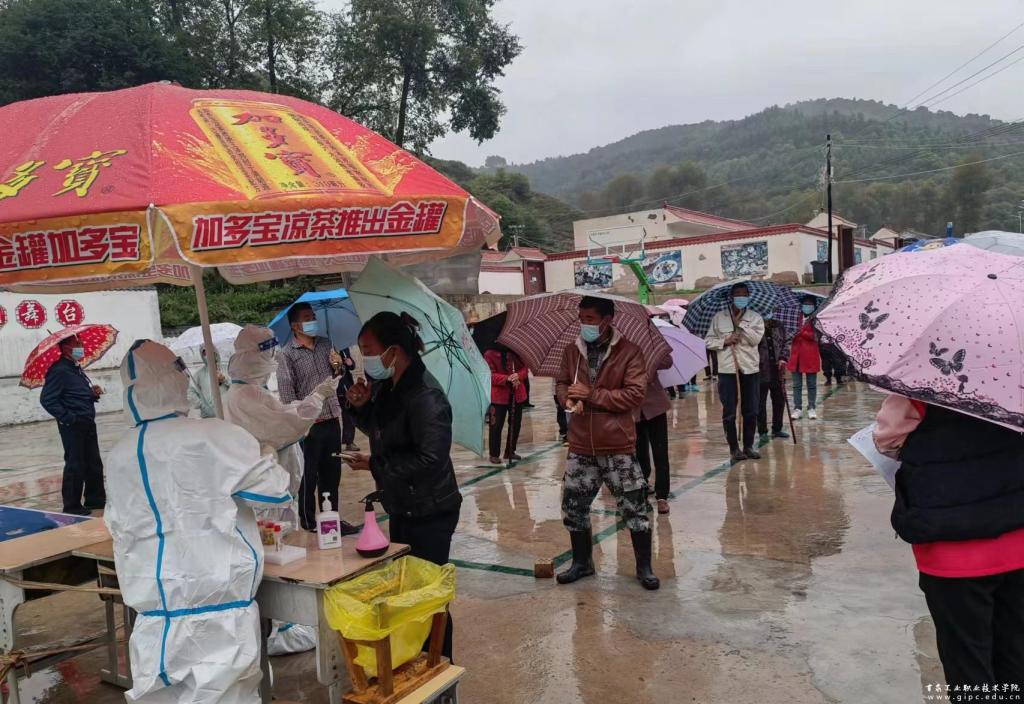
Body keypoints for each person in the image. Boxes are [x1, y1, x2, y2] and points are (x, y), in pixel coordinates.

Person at [104, 340, 292, 703]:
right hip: (218, 618)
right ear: (178, 380)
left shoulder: (119, 455)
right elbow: (274, 492)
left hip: (153, 624)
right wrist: (264, 450)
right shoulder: (213, 436)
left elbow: (116, 524)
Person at [874, 396, 1024, 691]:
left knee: (968, 663)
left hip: (952, 551)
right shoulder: (1016, 376)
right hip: (1016, 537)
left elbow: (886, 439)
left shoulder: (923, 382)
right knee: (1014, 653)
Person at [345, 311, 462, 659]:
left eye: (369, 351)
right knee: (409, 594)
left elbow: (431, 459)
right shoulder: (389, 387)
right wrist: (361, 408)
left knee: (429, 597)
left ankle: (441, 665)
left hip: (431, 511)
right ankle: (420, 663)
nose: (365, 359)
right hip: (403, 505)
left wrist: (376, 464)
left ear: (393, 351)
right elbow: (383, 431)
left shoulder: (426, 396)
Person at [555, 296, 658, 590]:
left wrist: (591, 395)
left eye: (590, 319)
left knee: (635, 508)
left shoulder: (629, 352)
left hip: (617, 445)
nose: (584, 324)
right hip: (580, 445)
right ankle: (582, 562)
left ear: (607, 320)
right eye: (581, 318)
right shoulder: (572, 351)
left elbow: (634, 395)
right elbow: (561, 382)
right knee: (573, 506)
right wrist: (567, 399)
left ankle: (644, 567)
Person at [277, 302, 358, 535]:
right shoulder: (287, 355)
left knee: (331, 475)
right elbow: (287, 395)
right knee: (308, 477)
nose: (312, 321)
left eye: (313, 316)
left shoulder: (326, 345)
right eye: (307, 317)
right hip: (308, 427)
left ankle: (331, 521)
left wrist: (338, 366)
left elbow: (337, 378)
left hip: (332, 419)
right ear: (295, 326)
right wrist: (300, 419)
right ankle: (309, 523)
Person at [40, 333, 106, 515]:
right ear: (66, 347)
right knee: (75, 464)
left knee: (93, 462)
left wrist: (92, 393)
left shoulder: (75, 368)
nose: (81, 346)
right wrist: (69, 418)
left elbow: (75, 394)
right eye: (77, 343)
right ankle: (72, 506)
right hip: (73, 425)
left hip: (87, 421)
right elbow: (47, 400)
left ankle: (95, 499)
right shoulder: (59, 370)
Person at [705, 283, 765, 464]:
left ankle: (748, 446)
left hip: (749, 369)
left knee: (751, 410)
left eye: (744, 294)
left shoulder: (755, 318)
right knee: (729, 411)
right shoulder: (719, 318)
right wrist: (725, 341)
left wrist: (741, 326)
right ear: (731, 296)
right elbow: (708, 341)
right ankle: (734, 449)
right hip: (727, 371)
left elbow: (756, 340)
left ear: (748, 296)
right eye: (738, 294)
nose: (741, 297)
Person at [484, 343, 529, 465]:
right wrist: (507, 379)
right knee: (496, 425)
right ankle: (494, 454)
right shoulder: (489, 354)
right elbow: (489, 375)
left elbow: (525, 369)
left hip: (517, 394)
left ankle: (510, 451)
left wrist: (518, 376)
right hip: (499, 397)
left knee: (515, 424)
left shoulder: (517, 352)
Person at [636, 377, 672, 515]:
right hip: (633, 407)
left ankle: (662, 496)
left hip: (655, 405)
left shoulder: (652, 359)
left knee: (660, 452)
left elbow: (666, 364)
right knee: (639, 452)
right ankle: (642, 488)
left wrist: (651, 366)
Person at [757, 312, 791, 442]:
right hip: (760, 370)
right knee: (760, 402)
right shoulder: (755, 326)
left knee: (779, 400)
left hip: (777, 369)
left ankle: (777, 428)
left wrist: (783, 358)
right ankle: (762, 430)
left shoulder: (779, 325)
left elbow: (786, 343)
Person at [788, 296, 822, 420]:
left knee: (811, 384)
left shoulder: (817, 320)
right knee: (796, 385)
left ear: (814, 306)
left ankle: (811, 407)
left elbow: (816, 336)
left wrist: (801, 332)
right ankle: (797, 408)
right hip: (795, 356)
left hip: (810, 356)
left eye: (810, 304)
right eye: (805, 304)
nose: (807, 306)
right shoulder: (794, 318)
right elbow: (789, 333)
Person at [186, 345, 230, 419]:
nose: (208, 355)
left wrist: (225, 380)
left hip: (227, 412)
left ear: (215, 353)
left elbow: (236, 386)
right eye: (205, 354)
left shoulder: (226, 368)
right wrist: (202, 405)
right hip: (208, 416)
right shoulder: (199, 374)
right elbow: (190, 392)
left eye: (210, 352)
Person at [331, 347, 360, 452]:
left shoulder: (344, 348)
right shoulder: (326, 351)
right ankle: (334, 445)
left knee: (349, 415)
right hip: (334, 389)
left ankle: (349, 442)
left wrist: (350, 363)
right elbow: (334, 370)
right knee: (333, 419)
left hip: (347, 387)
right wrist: (335, 363)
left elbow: (352, 366)